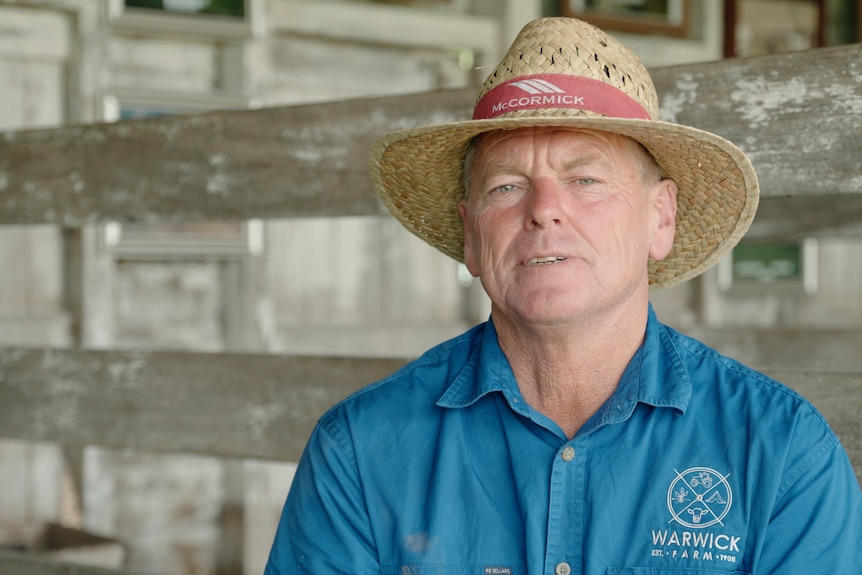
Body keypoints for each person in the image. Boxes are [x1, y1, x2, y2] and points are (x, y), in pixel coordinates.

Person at [265, 17, 862, 574]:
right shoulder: (361, 452)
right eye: (507, 186)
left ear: (660, 218)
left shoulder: (783, 452)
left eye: (586, 179)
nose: (545, 209)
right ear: (472, 237)